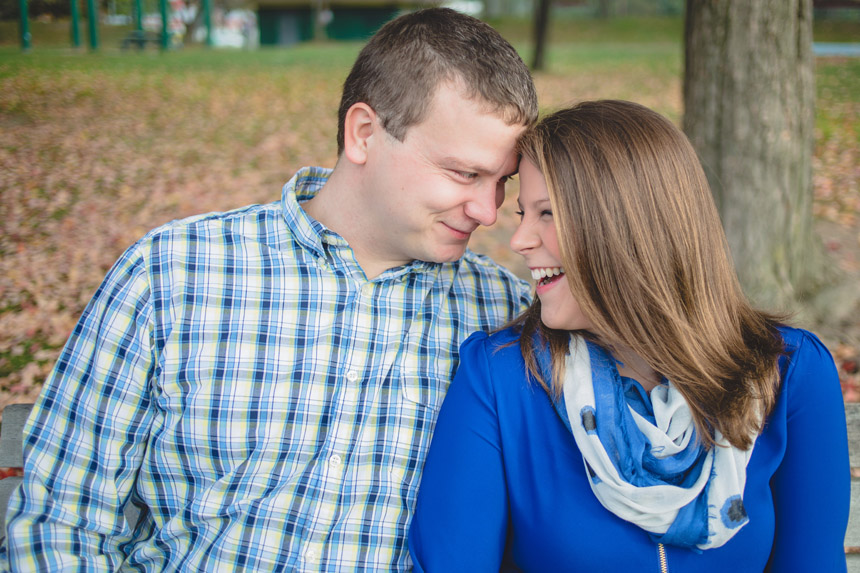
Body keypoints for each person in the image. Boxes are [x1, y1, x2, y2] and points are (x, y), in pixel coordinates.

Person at [1, 8, 538, 571]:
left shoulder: (503, 316)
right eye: (463, 174)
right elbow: (63, 520)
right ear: (364, 133)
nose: (488, 211)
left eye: (501, 182)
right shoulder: (173, 274)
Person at [409, 100, 850, 571]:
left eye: (548, 213)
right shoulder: (501, 378)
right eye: (523, 214)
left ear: (626, 227)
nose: (520, 240)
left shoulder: (787, 372)